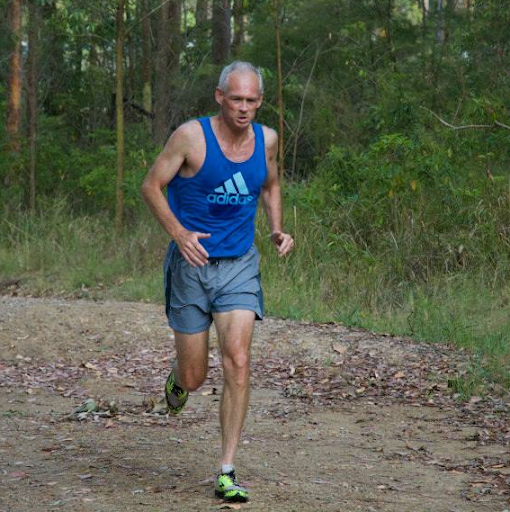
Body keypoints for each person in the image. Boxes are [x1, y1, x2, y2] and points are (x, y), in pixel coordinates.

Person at [141, 61, 294, 503]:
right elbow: (152, 185)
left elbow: (270, 184)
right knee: (194, 377)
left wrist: (276, 228)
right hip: (191, 264)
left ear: (259, 101)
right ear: (219, 96)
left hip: (239, 264)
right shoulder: (190, 137)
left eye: (252, 100)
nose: (244, 108)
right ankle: (177, 382)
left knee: (239, 360)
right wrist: (179, 233)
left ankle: (226, 469)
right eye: (236, 99)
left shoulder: (267, 139)